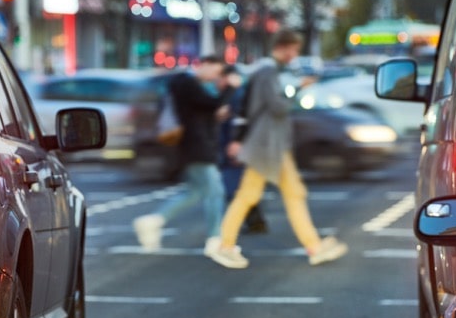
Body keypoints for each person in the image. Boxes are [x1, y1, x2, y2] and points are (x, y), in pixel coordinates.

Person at [207, 30, 348, 269]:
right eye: (292, 50)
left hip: (273, 145)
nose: (294, 55)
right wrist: (298, 89)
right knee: (249, 196)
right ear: (282, 47)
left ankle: (314, 247)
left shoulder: (267, 71)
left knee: (293, 194)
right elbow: (277, 106)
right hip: (266, 145)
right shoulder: (268, 71)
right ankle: (225, 246)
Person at [133, 55, 239, 257]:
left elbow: (205, 109)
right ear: (205, 65)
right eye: (216, 72)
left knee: (195, 192)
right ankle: (215, 239)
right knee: (215, 192)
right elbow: (211, 104)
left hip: (196, 146)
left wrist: (214, 113)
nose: (215, 77)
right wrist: (230, 88)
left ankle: (153, 221)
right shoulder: (186, 83)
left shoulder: (190, 85)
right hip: (196, 147)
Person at [218, 64, 268, 234]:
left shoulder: (237, 95)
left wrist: (235, 143)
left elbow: (239, 122)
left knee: (234, 188)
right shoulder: (236, 94)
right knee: (242, 188)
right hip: (240, 147)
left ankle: (250, 223)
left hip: (237, 148)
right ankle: (255, 222)